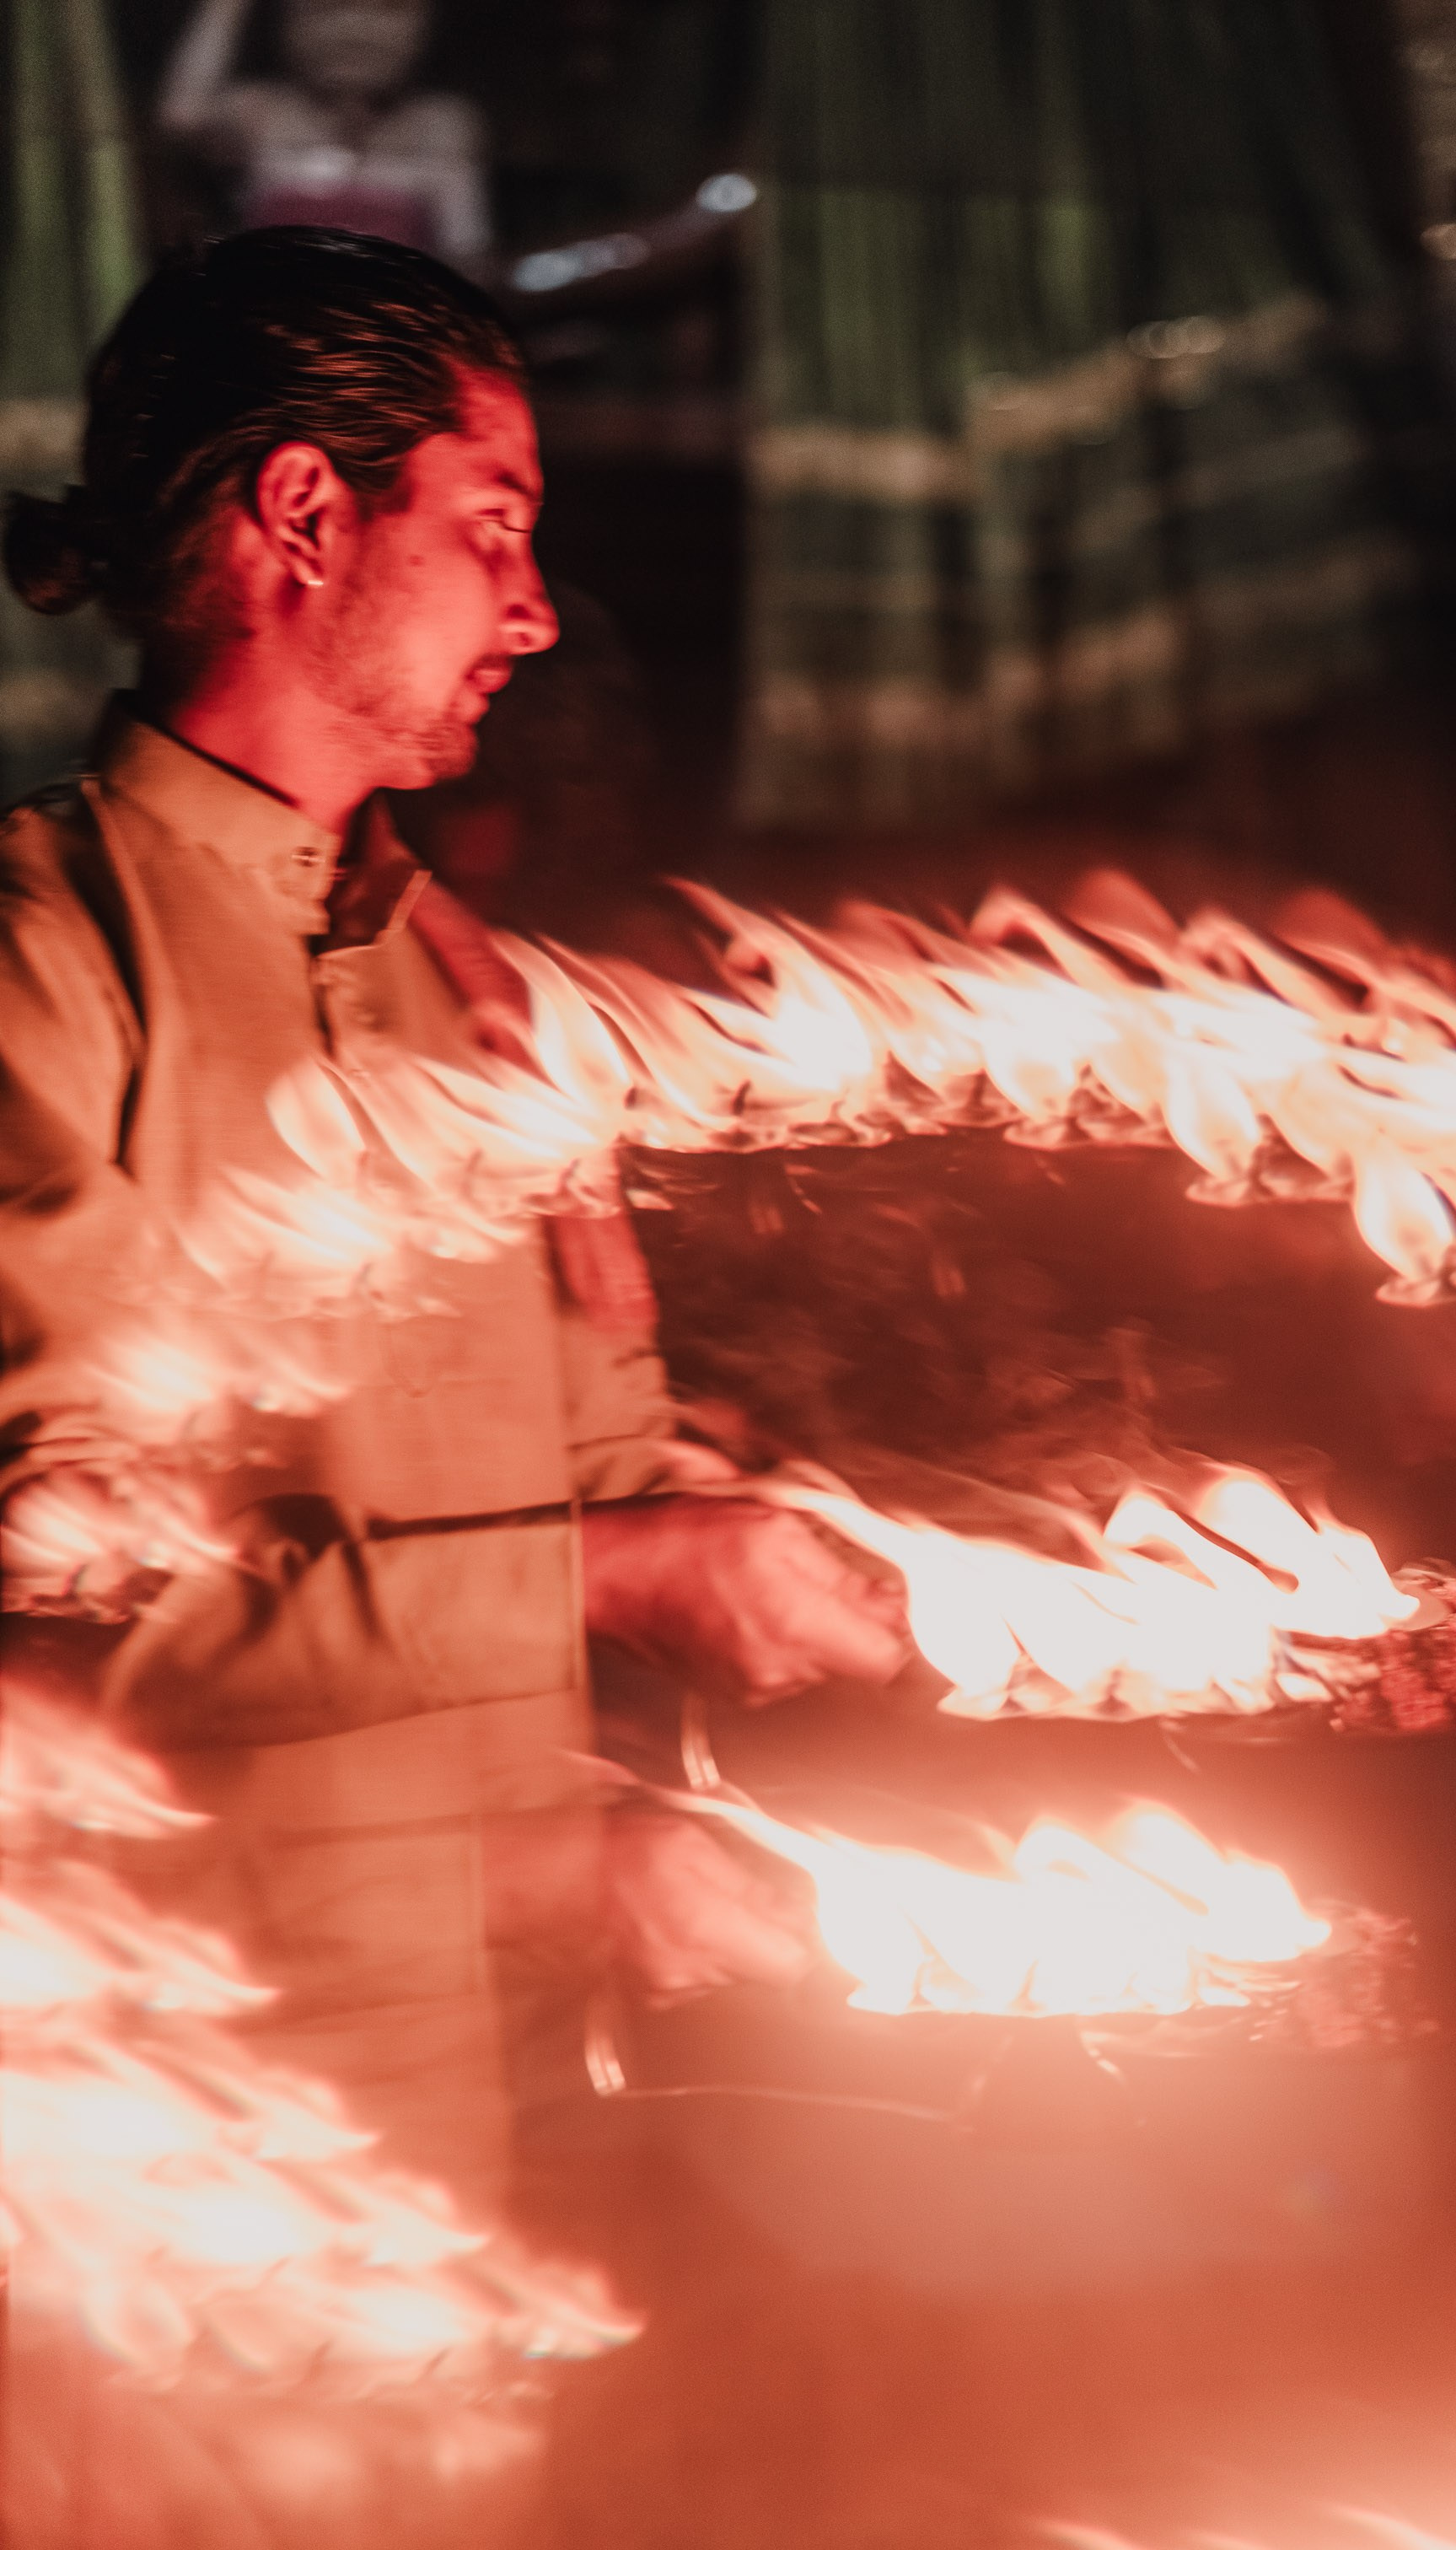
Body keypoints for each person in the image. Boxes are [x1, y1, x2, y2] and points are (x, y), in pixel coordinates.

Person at [0, 226, 911, 2219]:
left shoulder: (475, 993)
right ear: (302, 515)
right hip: (167, 2157)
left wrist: (885, 1556)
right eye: (492, 528)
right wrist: (616, 1585)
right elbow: (61, 1642)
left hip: (514, 2120)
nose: (536, 610)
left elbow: (603, 1478)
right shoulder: (43, 974)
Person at [159, 0, 492, 263]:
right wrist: (227, 7)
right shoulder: (260, 113)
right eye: (324, 9)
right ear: (285, 22)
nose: (354, 31)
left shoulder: (440, 124)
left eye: (389, 9)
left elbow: (468, 252)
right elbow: (184, 116)